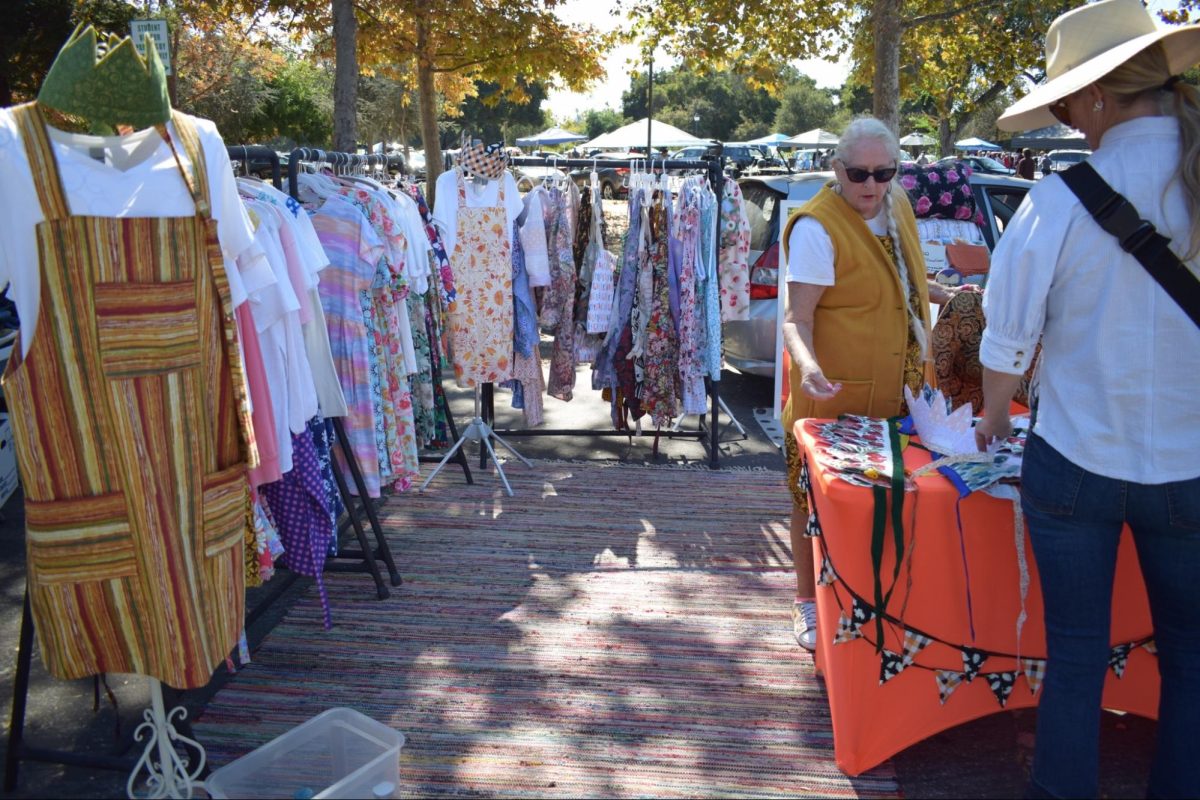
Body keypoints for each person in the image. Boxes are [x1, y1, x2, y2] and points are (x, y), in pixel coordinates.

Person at [975, 0, 1200, 796]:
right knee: (1193, 660)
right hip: (1193, 467)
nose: (1068, 118)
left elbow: (1005, 340)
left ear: (1099, 96)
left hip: (1074, 464)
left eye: (1068, 101)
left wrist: (995, 415)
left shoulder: (1057, 201)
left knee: (1074, 658)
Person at [780, 117, 949, 650]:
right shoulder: (817, 227)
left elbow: (903, 279)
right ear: (837, 169)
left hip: (901, 397)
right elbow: (795, 319)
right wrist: (807, 366)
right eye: (859, 174)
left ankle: (875, 602)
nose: (871, 185)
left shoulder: (896, 206)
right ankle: (808, 603)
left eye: (884, 173)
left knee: (888, 507)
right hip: (835, 400)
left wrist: (946, 294)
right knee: (812, 507)